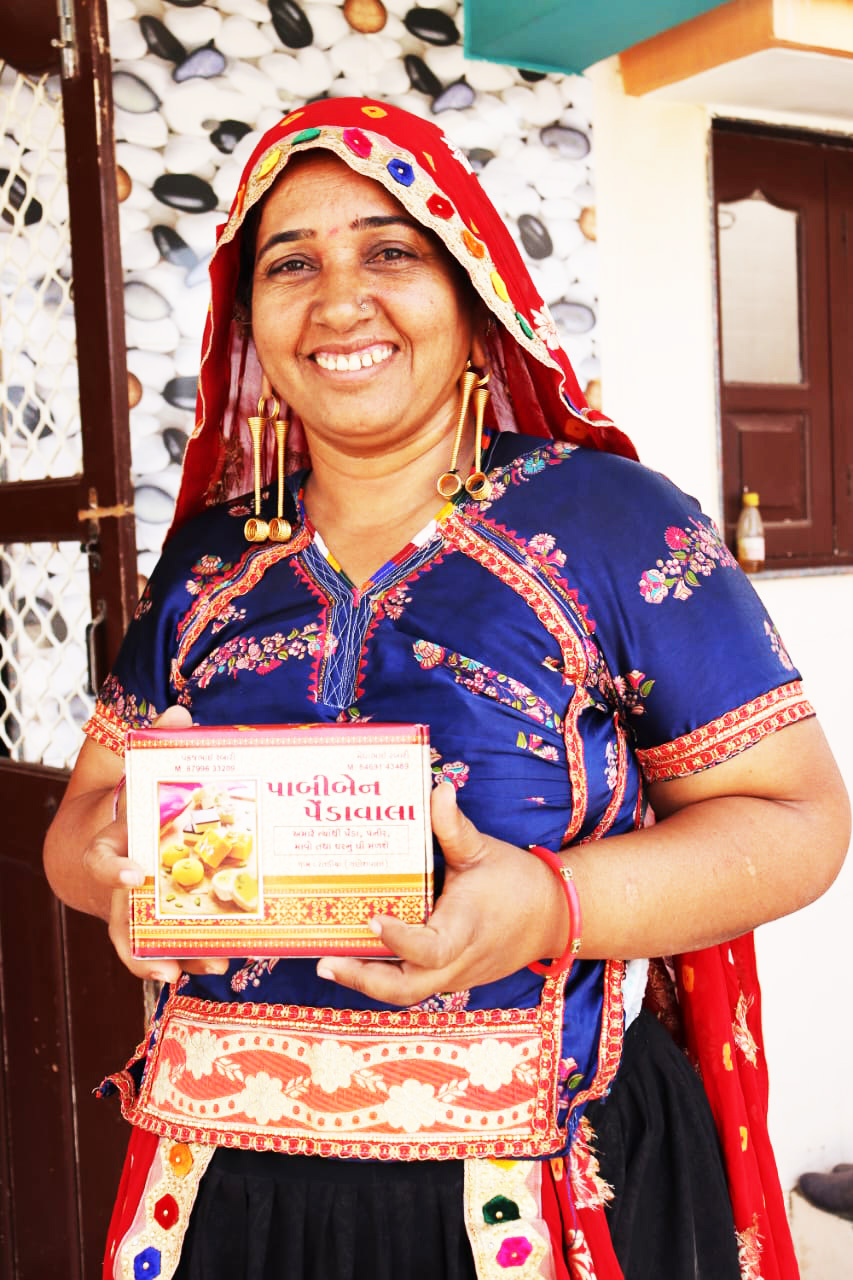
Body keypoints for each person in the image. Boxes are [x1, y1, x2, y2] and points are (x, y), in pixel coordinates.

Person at [43, 98, 849, 1280]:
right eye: (290, 262)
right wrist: (112, 875)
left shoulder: (611, 522)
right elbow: (82, 826)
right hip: (224, 1191)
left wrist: (543, 905)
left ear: (473, 297)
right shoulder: (210, 561)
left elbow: (797, 821)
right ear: (250, 315)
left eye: (389, 250)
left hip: (536, 1188)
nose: (338, 299)